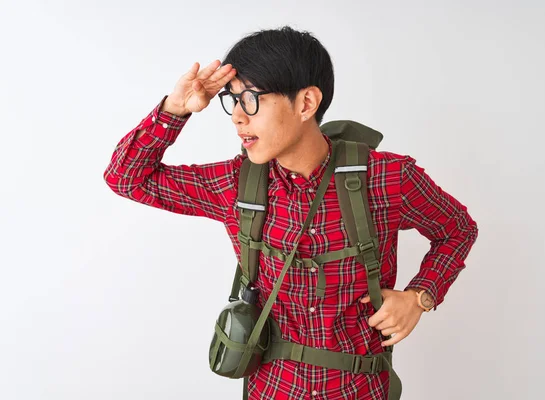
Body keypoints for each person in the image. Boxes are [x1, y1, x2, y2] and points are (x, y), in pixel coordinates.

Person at [103, 26, 478, 399]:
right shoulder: (236, 184)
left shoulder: (386, 177)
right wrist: (174, 109)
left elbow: (458, 229)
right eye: (232, 100)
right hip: (272, 389)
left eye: (250, 99)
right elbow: (126, 178)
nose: (237, 116)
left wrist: (419, 296)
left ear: (306, 103)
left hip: (359, 389)